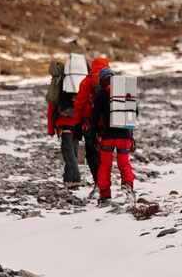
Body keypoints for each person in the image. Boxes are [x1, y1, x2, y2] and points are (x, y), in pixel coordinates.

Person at [91, 68, 136, 206]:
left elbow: (95, 117)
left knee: (105, 165)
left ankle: (105, 195)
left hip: (107, 136)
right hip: (124, 135)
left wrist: (94, 134)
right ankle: (128, 186)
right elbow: (134, 112)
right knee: (124, 163)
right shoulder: (125, 92)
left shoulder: (101, 94)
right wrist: (131, 135)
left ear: (102, 81)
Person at [73, 57, 110, 198]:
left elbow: (79, 104)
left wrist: (76, 124)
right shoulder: (112, 80)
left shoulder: (86, 81)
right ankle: (106, 185)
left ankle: (98, 184)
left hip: (89, 124)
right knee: (104, 154)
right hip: (108, 125)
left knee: (91, 154)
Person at [46, 61, 81, 189]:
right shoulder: (77, 84)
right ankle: (68, 179)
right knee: (74, 151)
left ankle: (76, 178)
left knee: (68, 153)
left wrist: (51, 129)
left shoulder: (57, 87)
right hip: (77, 123)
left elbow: (51, 110)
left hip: (65, 124)